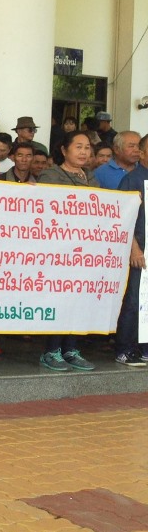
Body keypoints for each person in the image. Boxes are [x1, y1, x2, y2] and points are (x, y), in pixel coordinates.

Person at [36, 130, 99, 372]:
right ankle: (51, 350)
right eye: (78, 147)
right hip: (59, 249)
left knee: (79, 300)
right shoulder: (51, 175)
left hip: (86, 250)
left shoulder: (91, 177)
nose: (84, 152)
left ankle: (71, 349)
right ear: (64, 150)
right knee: (60, 299)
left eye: (87, 147)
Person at [115, 133, 148, 367]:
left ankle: (144, 348)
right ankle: (125, 349)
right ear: (142, 153)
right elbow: (123, 218)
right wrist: (134, 249)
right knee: (134, 300)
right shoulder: (132, 180)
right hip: (140, 250)